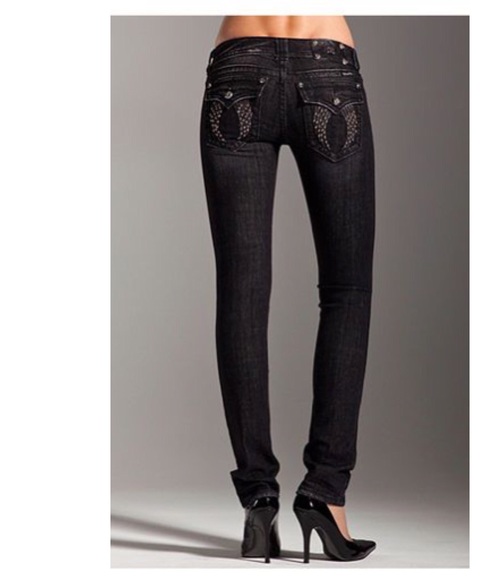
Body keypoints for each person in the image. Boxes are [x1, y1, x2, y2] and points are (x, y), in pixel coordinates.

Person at [199, 16, 376, 563]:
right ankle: (325, 492)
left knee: (241, 292)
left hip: (237, 67)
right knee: (346, 290)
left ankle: (258, 498)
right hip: (329, 73)